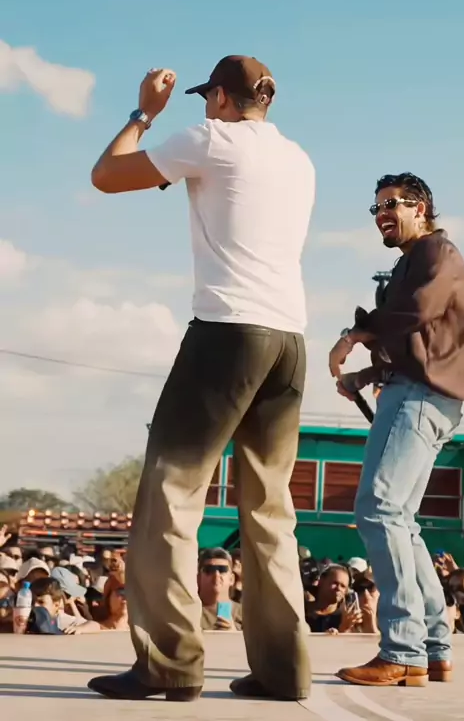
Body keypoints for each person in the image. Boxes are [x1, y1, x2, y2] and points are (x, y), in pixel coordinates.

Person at [87, 55, 316, 702]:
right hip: (289, 340)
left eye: (206, 98)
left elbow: (106, 176)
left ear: (218, 97)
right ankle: (283, 670)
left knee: (171, 494)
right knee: (269, 510)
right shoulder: (298, 158)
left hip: (227, 335)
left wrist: (144, 113)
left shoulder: (211, 139)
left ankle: (171, 662)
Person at [328, 172, 464, 687]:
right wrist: (368, 374)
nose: (382, 215)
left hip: (421, 397)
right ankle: (433, 648)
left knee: (379, 510)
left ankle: (403, 649)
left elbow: (415, 313)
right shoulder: (413, 261)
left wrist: (354, 334)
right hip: (423, 393)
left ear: (421, 208)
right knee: (401, 521)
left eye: (392, 204)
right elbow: (420, 341)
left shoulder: (437, 252)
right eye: (376, 208)